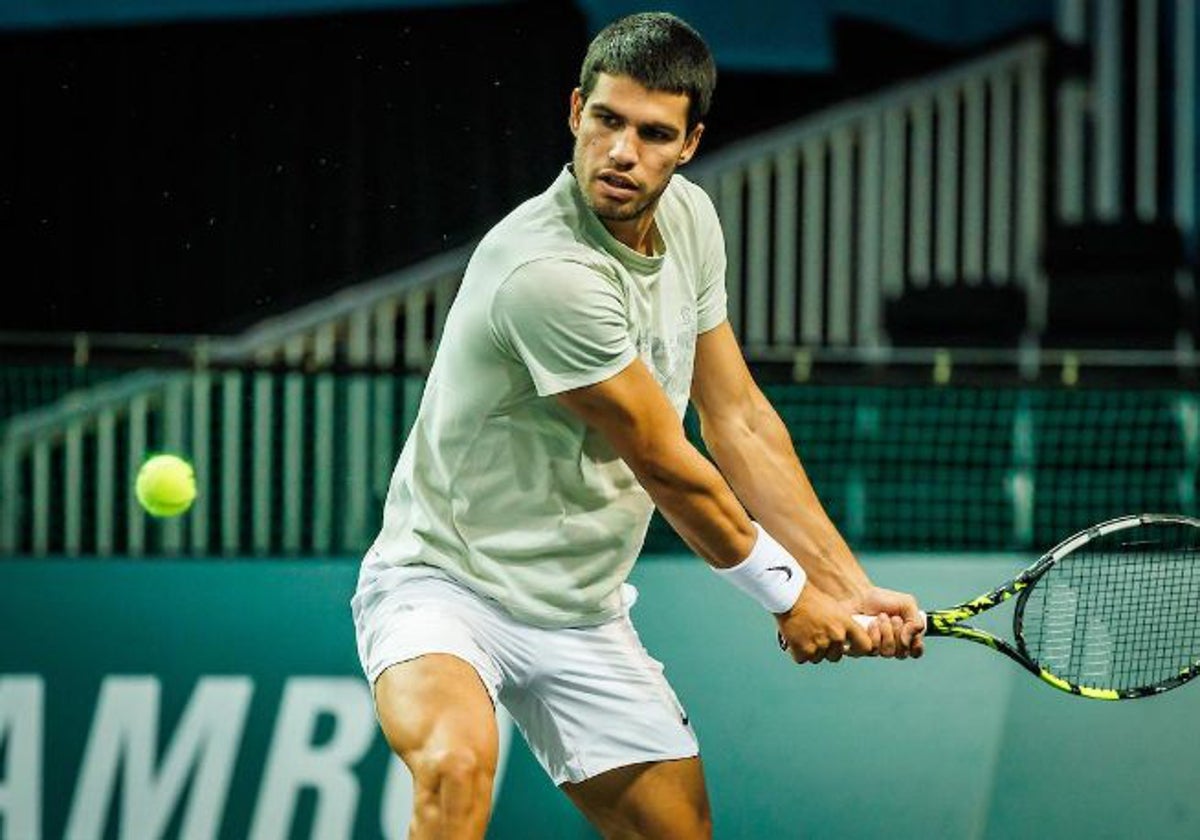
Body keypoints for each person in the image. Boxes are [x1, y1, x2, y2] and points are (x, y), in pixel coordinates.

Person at [352, 11, 925, 838]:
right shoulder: (546, 272)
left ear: (689, 144)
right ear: (575, 110)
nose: (623, 152)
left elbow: (740, 421)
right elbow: (664, 459)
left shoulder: (690, 220)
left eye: (654, 134)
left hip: (581, 608)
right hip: (444, 583)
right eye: (607, 121)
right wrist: (788, 595)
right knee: (454, 767)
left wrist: (843, 584)